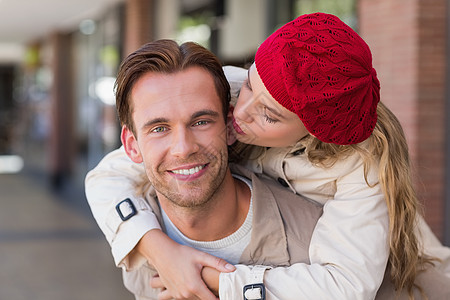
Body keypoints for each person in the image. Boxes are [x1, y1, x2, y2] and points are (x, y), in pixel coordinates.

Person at [85, 13, 450, 300]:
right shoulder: (232, 91)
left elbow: (346, 286)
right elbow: (110, 176)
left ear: (312, 132)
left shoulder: (362, 168)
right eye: (251, 85)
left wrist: (212, 280)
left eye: (270, 116)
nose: (239, 114)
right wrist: (161, 252)